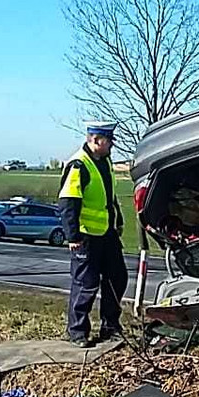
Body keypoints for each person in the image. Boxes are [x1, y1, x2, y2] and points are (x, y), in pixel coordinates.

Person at [58, 120, 128, 348]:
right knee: (86, 284)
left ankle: (110, 326)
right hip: (86, 236)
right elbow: (68, 202)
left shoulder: (105, 162)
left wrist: (117, 220)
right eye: (108, 141)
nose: (112, 146)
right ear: (95, 140)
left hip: (107, 234)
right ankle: (77, 331)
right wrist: (73, 236)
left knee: (117, 278)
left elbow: (110, 197)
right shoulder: (79, 164)